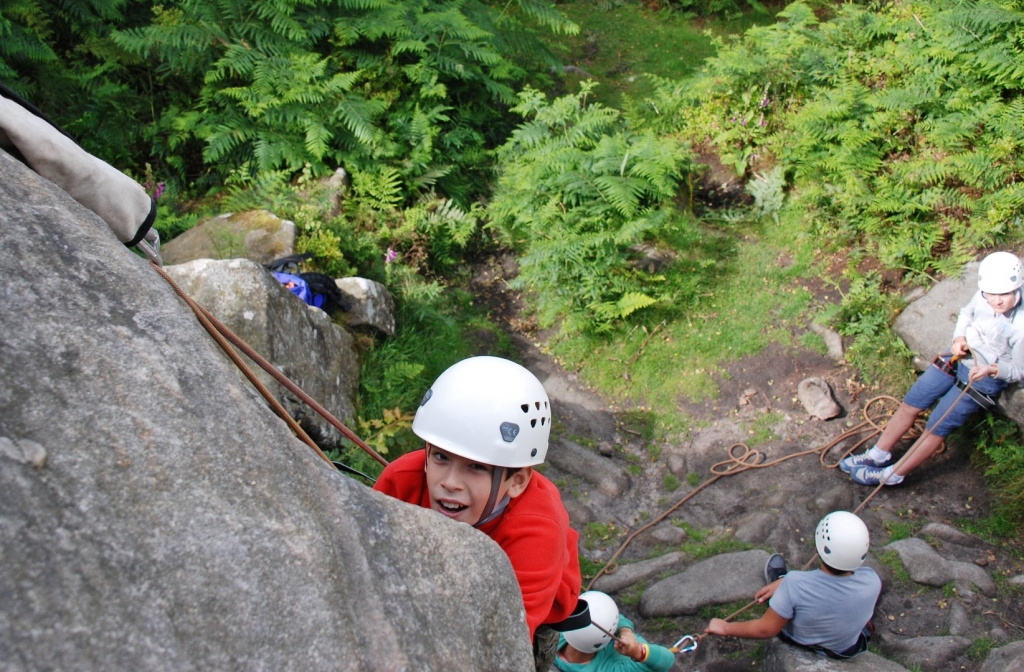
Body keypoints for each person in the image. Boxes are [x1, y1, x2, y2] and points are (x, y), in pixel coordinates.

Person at [372, 356, 581, 671]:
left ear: (517, 481)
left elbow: (506, 641)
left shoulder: (537, 532)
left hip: (535, 612)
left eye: (476, 467)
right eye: (440, 456)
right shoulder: (402, 479)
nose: (450, 483)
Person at [841, 251, 1024, 486]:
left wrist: (991, 370)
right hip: (960, 356)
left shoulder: (1020, 326)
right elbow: (966, 314)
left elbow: (1019, 370)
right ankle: (878, 454)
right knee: (912, 402)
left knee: (936, 426)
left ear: (1016, 288)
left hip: (983, 378)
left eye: (1004, 295)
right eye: (992, 294)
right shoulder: (983, 296)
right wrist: (959, 337)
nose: (997, 301)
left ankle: (893, 475)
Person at [704, 511, 881, 659]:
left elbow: (765, 630)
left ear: (820, 547)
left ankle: (779, 586)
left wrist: (725, 627)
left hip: (802, 641)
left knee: (791, 600)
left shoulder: (796, 584)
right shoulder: (872, 581)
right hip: (847, 649)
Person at [554, 591, 675, 672]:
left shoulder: (551, 636)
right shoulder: (611, 668)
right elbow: (667, 660)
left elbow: (604, 616)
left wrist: (625, 631)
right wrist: (637, 651)